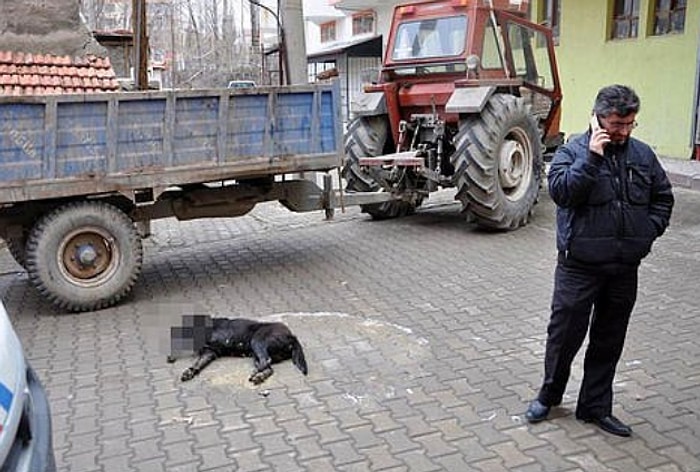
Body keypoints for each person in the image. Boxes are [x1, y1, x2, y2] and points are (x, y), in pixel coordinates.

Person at [525, 84, 674, 436]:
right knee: (564, 337)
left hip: (624, 268)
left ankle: (594, 407)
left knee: (609, 339)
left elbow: (663, 198)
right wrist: (591, 158)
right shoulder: (571, 151)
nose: (623, 131)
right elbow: (562, 194)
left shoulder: (643, 154)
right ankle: (549, 395)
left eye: (629, 124)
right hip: (578, 267)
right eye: (616, 124)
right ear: (597, 118)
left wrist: (646, 231)